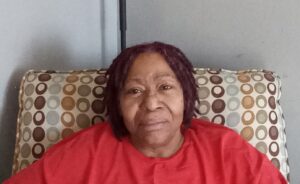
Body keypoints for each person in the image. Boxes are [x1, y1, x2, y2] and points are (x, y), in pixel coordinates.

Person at [4, 42, 287, 183]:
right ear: (117, 104)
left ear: (186, 96)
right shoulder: (83, 154)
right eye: (134, 91)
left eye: (165, 87)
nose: (151, 103)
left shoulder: (228, 152)